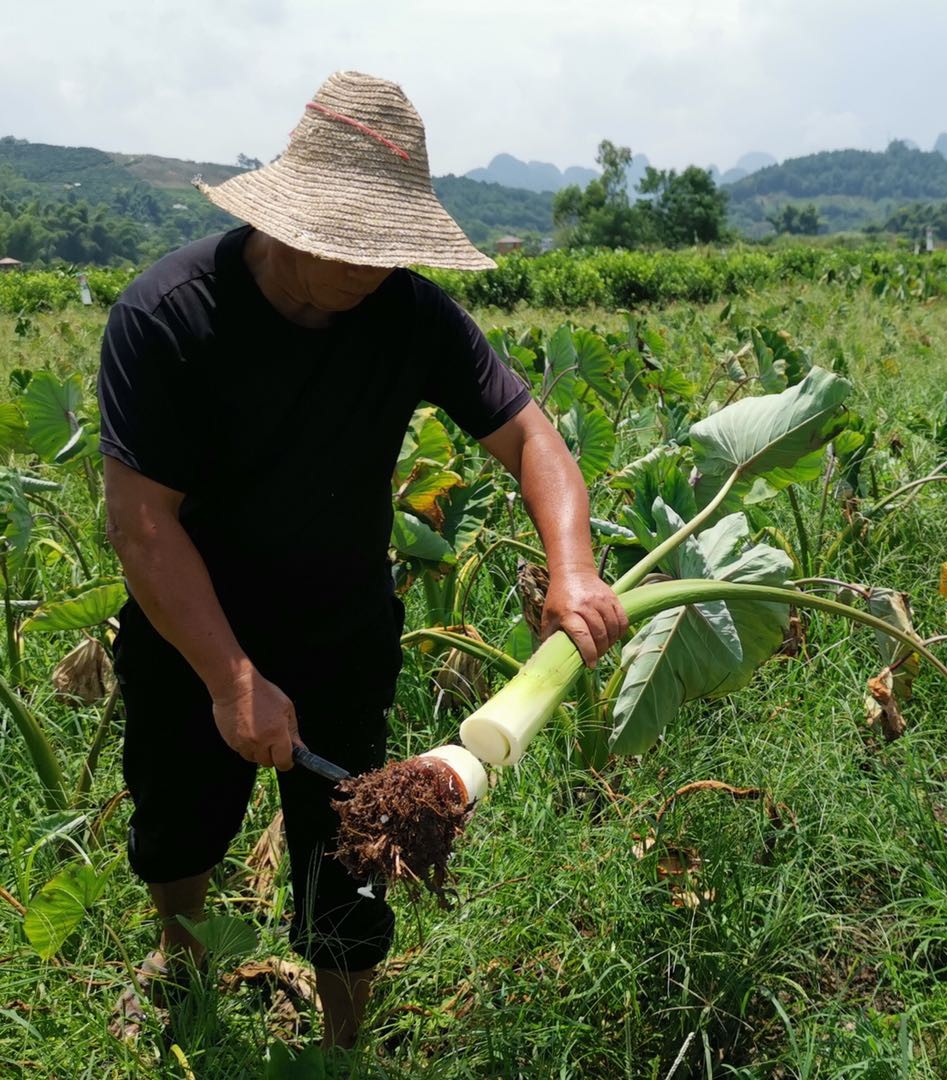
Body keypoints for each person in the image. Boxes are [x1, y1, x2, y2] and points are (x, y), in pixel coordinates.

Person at [99, 70, 628, 1049]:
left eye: (390, 249)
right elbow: (142, 527)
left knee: (353, 853)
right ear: (287, 220)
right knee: (178, 821)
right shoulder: (168, 317)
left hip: (338, 626)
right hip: (190, 627)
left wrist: (574, 567)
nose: (370, 268)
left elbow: (532, 440)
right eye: (351, 244)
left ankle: (343, 1046)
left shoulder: (409, 314)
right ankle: (180, 956)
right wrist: (230, 677)